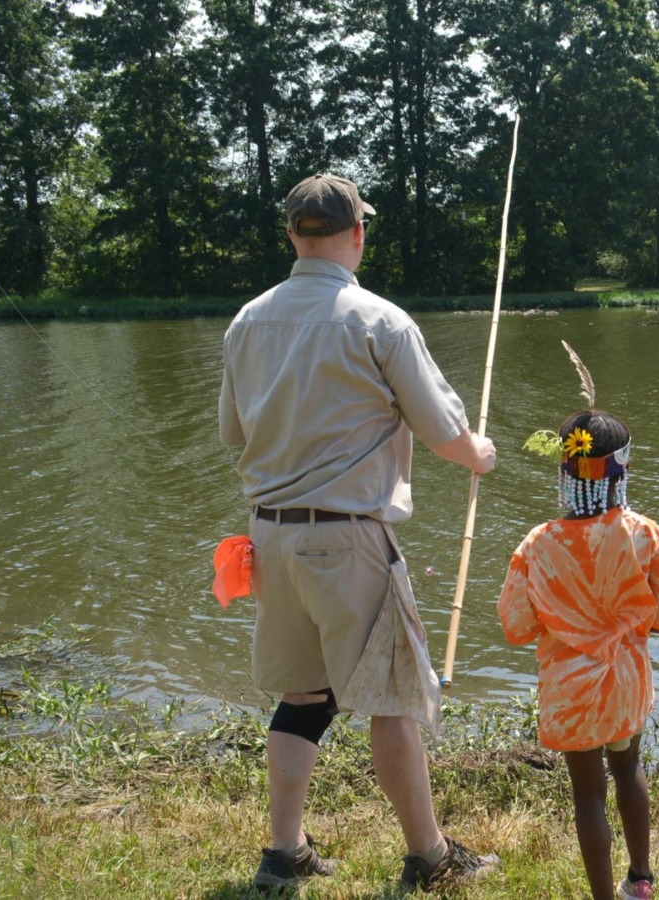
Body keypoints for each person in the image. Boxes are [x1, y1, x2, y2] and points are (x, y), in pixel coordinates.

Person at [219, 173, 500, 893]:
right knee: (394, 696)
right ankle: (430, 858)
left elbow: (231, 433)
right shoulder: (380, 320)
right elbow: (446, 435)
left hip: (269, 540)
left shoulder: (246, 320)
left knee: (302, 697)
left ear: (292, 234)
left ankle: (284, 853)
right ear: (358, 234)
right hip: (347, 543)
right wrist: (481, 454)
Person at [498, 410, 659, 900]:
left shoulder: (538, 544)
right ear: (621, 474)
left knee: (588, 793)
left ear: (564, 471)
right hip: (625, 682)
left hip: (571, 690)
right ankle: (640, 879)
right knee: (628, 768)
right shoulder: (645, 533)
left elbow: (516, 627)